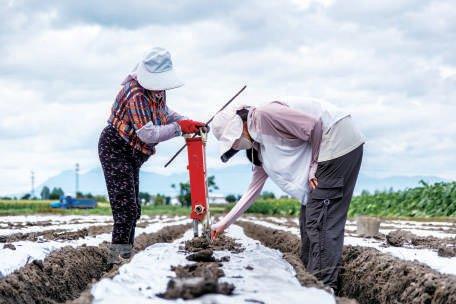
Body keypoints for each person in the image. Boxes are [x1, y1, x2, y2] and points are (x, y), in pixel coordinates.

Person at [210, 100, 364, 291]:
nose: (237, 145)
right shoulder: (260, 149)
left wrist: (314, 166)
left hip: (336, 138)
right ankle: (310, 279)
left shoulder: (264, 115)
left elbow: (314, 126)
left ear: (239, 126)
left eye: (235, 140)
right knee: (308, 218)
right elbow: (252, 190)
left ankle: (324, 290)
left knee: (319, 221)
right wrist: (224, 224)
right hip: (327, 148)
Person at [98, 47, 206, 264]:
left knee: (134, 209)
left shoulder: (157, 91)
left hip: (133, 154)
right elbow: (147, 133)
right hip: (116, 149)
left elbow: (164, 113)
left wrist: (187, 121)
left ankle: (124, 256)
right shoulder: (135, 93)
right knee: (125, 209)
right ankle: (115, 261)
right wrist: (179, 128)